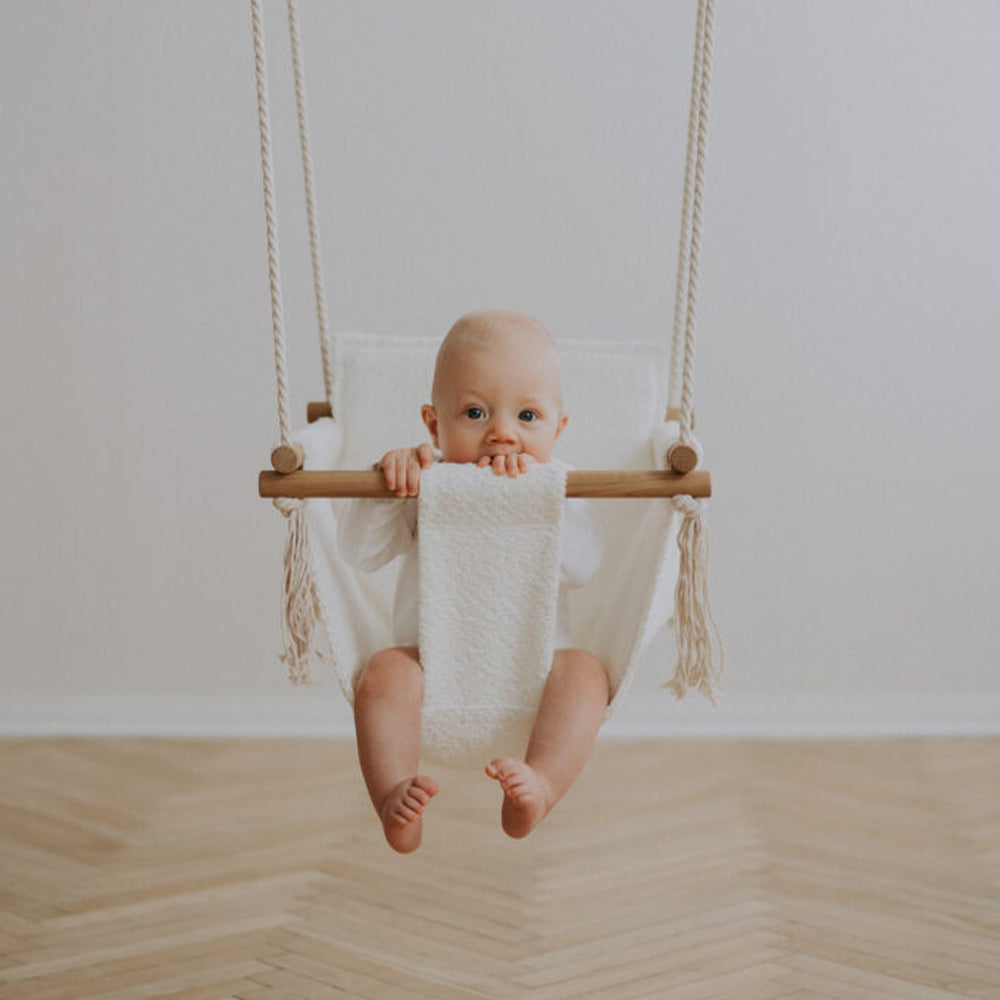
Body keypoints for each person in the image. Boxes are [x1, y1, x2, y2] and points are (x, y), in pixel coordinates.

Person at [338, 309, 608, 852]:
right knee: (384, 672)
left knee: (586, 674)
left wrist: (544, 500)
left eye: (528, 415)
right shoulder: (431, 484)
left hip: (537, 673)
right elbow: (360, 553)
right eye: (475, 412)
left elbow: (585, 566)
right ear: (435, 425)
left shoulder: (555, 489)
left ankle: (542, 785)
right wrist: (390, 483)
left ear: (558, 429)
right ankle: (393, 796)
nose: (502, 433)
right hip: (432, 673)